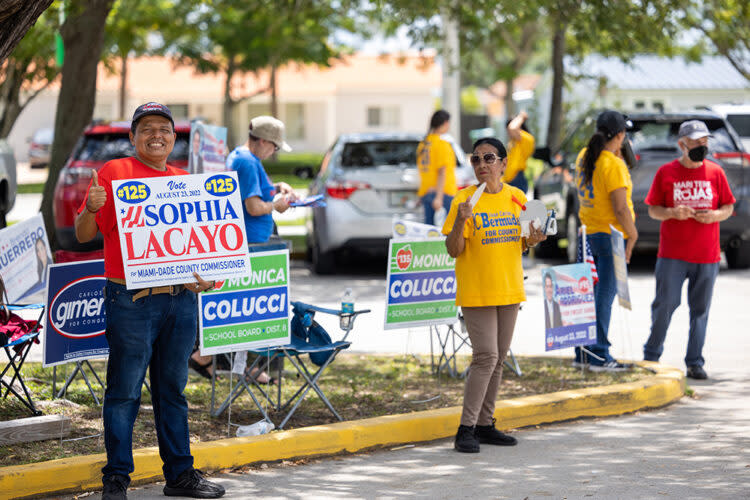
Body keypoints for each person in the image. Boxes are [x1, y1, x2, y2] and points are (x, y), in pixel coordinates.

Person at [75, 102, 225, 500]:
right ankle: (116, 480)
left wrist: (209, 277)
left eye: (164, 128)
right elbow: (83, 233)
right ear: (133, 137)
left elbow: (204, 249)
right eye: (146, 129)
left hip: (180, 301)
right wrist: (90, 208)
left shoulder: (186, 182)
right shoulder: (114, 174)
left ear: (173, 138)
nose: (156, 135)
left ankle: (180, 476)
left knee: (173, 391)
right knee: (124, 392)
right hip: (131, 299)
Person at [442, 137, 546, 454]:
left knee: (498, 360)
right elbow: (453, 250)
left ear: (503, 162)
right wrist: (460, 220)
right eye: (476, 160)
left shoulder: (517, 198)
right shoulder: (464, 199)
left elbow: (523, 242)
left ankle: (485, 425)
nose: (482, 165)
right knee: (485, 357)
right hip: (477, 291)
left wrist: (534, 238)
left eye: (489, 158)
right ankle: (465, 429)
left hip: (509, 288)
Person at [189, 116, 297, 383]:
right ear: (261, 141)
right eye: (275, 146)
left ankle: (235, 365)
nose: (275, 152)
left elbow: (257, 190)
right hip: (250, 243)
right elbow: (253, 206)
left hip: (249, 240)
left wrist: (276, 188)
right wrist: (276, 205)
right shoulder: (247, 162)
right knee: (243, 307)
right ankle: (204, 356)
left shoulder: (243, 156)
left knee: (244, 307)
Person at [642, 120, 735, 380]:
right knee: (665, 305)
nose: (701, 146)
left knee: (700, 310)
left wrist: (715, 215)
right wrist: (672, 212)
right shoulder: (666, 172)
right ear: (681, 144)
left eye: (704, 141)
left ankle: (694, 361)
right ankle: (651, 356)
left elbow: (728, 206)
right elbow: (653, 209)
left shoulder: (716, 172)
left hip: (707, 255)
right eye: (695, 142)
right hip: (672, 254)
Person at [574, 110, 638, 372]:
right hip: (611, 235)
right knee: (604, 296)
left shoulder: (585, 156)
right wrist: (632, 235)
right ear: (621, 135)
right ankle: (599, 353)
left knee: (587, 294)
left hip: (588, 231)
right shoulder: (613, 165)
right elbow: (621, 208)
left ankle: (583, 353)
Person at [417, 110, 457, 225]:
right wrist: (439, 197)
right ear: (445, 123)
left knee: (430, 233)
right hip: (442, 194)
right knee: (444, 234)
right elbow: (442, 172)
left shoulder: (423, 144)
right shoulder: (441, 144)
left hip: (427, 192)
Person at [501, 111, 535, 194]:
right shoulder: (513, 142)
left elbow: (512, 128)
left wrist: (521, 116)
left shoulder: (526, 139)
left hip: (518, 181)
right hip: (509, 181)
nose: (508, 133)